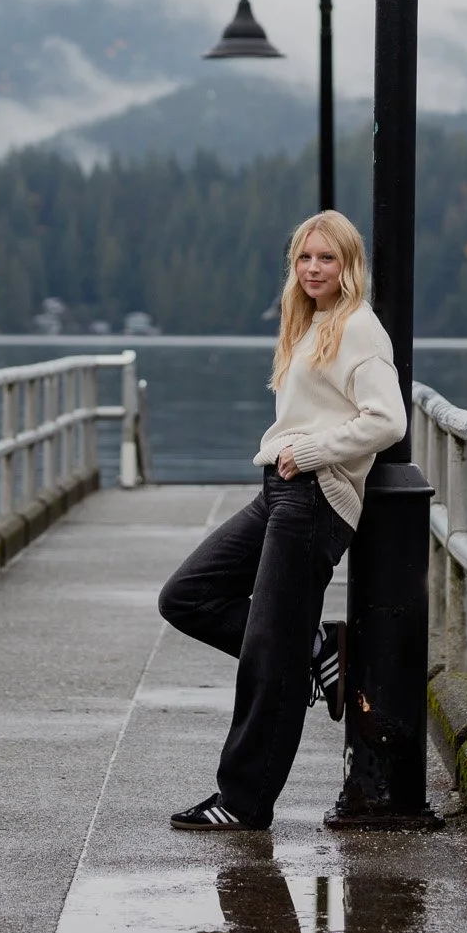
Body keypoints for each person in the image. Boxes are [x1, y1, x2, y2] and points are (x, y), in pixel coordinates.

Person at [158, 208, 406, 831]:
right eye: (305, 257)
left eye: (327, 258)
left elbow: (388, 420)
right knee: (187, 596)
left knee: (268, 653)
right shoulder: (310, 322)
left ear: (350, 266)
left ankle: (243, 802)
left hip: (315, 493)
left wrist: (314, 452)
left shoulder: (359, 328)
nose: (314, 268)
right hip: (280, 488)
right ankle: (314, 647)